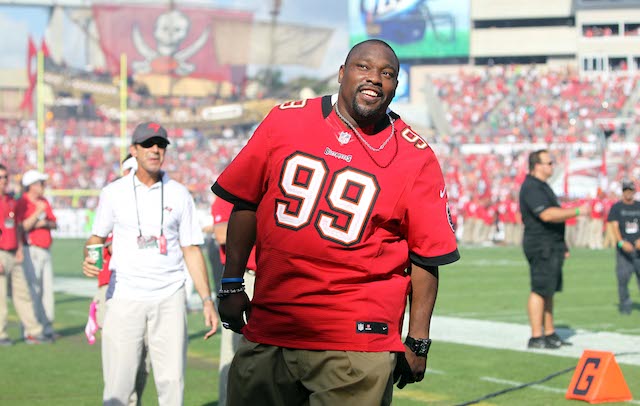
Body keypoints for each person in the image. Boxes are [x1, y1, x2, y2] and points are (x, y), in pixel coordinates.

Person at [211, 39, 460, 405]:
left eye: (387, 74)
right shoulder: (285, 119)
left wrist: (418, 339)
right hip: (274, 321)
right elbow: (246, 200)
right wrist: (232, 283)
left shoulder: (415, 155)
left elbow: (426, 255)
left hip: (357, 340)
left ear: (395, 86)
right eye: (364, 67)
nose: (375, 78)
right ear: (342, 73)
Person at [81, 122, 217, 405]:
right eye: (148, 144)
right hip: (124, 296)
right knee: (119, 384)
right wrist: (89, 256)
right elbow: (97, 236)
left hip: (169, 295)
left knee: (172, 382)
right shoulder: (113, 192)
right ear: (134, 150)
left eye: (160, 144)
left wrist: (206, 300)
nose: (155, 150)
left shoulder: (180, 193)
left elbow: (191, 249)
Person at [519, 149, 591, 349]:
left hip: (551, 244)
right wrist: (577, 211)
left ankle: (549, 333)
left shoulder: (543, 186)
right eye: (549, 163)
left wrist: (562, 244)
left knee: (548, 289)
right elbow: (547, 215)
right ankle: (536, 336)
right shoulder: (532, 187)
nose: (552, 166)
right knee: (539, 289)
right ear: (537, 166)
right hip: (540, 244)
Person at [210, 197, 257, 406]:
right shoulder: (235, 189)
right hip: (244, 277)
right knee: (235, 354)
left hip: (277, 276)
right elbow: (221, 233)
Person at [0, 164, 50, 345]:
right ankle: (1, 333)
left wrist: (20, 248)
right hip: (1, 253)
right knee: (0, 298)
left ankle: (33, 331)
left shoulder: (10, 201)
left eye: (5, 176)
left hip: (14, 252)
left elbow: (15, 229)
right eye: (1, 177)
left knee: (23, 295)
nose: (4, 180)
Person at [16, 169, 57, 339]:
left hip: (45, 249)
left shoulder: (44, 201)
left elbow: (54, 223)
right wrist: (36, 216)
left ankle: (46, 328)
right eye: (41, 183)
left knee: (47, 291)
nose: (43, 186)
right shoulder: (23, 202)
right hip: (30, 249)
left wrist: (44, 223)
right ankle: (31, 329)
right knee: (33, 291)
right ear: (31, 186)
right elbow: (21, 227)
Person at [606, 179, 640, 315]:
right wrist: (621, 242)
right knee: (623, 279)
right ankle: (625, 306)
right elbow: (613, 227)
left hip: (639, 249)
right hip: (623, 250)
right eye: (626, 190)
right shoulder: (617, 207)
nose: (628, 193)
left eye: (630, 190)